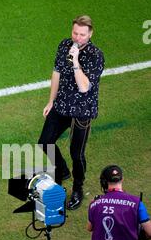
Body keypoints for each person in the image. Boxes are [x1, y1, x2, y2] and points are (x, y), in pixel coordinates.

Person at [38, 15, 104, 210]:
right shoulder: (64, 45)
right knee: (45, 142)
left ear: (90, 34)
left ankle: (78, 188)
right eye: (75, 33)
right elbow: (56, 72)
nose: (77, 38)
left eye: (82, 34)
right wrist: (51, 100)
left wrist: (75, 61)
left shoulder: (95, 56)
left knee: (77, 153)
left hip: (82, 110)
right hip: (62, 104)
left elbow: (84, 87)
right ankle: (62, 171)